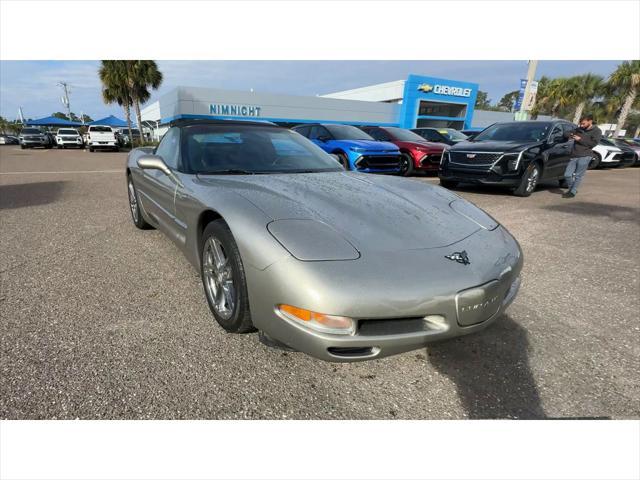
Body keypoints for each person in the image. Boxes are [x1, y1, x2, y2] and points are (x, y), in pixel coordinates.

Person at [562, 114, 602, 198]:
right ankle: (573, 189)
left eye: (583, 123)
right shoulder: (579, 129)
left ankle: (572, 192)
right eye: (581, 124)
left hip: (585, 156)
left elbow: (593, 144)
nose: (582, 125)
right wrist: (571, 135)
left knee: (578, 176)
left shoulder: (597, 131)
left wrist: (580, 139)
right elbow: (566, 133)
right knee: (567, 175)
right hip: (574, 155)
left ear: (590, 121)